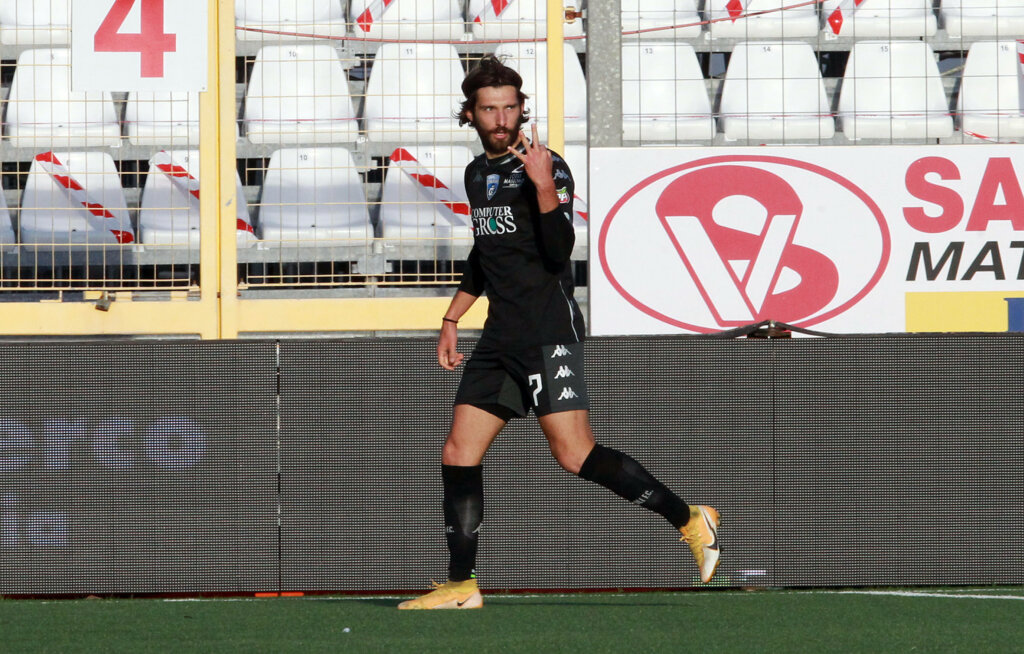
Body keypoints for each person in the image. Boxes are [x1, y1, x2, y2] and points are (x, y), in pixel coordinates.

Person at [397, 55, 720, 610]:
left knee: (574, 456)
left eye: (509, 108)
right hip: (500, 336)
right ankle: (461, 585)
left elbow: (557, 251)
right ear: (470, 114)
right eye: (488, 109)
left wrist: (545, 186)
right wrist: (452, 319)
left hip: (548, 333)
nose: (501, 118)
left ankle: (689, 518)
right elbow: (485, 255)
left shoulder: (549, 168)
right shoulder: (478, 174)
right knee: (458, 452)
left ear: (523, 109)